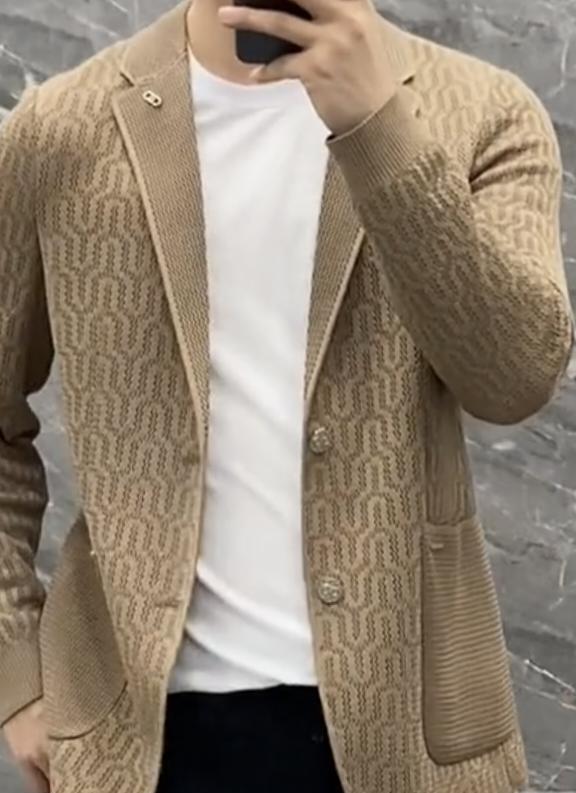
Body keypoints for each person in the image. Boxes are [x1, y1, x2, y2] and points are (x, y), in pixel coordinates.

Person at [0, 0, 573, 791]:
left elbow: (513, 379)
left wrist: (377, 127)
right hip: (138, 738)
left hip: (411, 734)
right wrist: (17, 672)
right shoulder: (60, 128)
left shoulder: (484, 112)